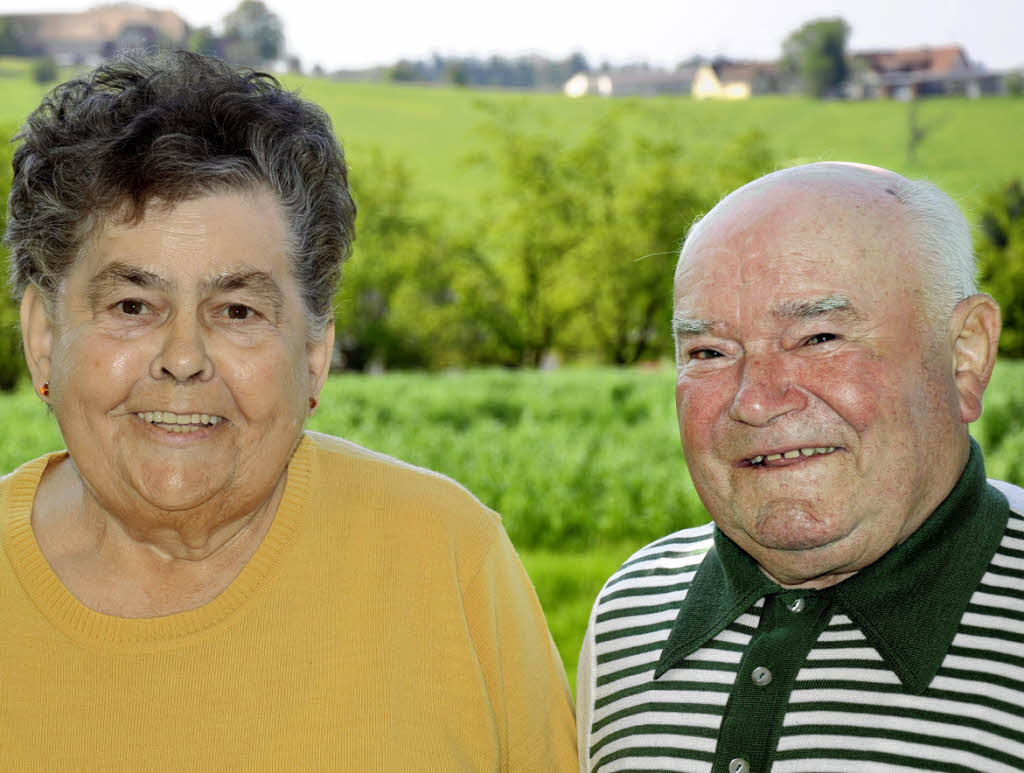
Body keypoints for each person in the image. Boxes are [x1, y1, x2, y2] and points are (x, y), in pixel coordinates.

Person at [1, 51, 576, 771]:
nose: (184, 358)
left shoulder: (449, 557)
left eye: (237, 309)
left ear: (313, 355)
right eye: (132, 305)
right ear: (43, 334)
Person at [577, 162, 1024, 772]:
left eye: (819, 338)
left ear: (965, 355)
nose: (755, 401)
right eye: (709, 352)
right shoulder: (629, 614)